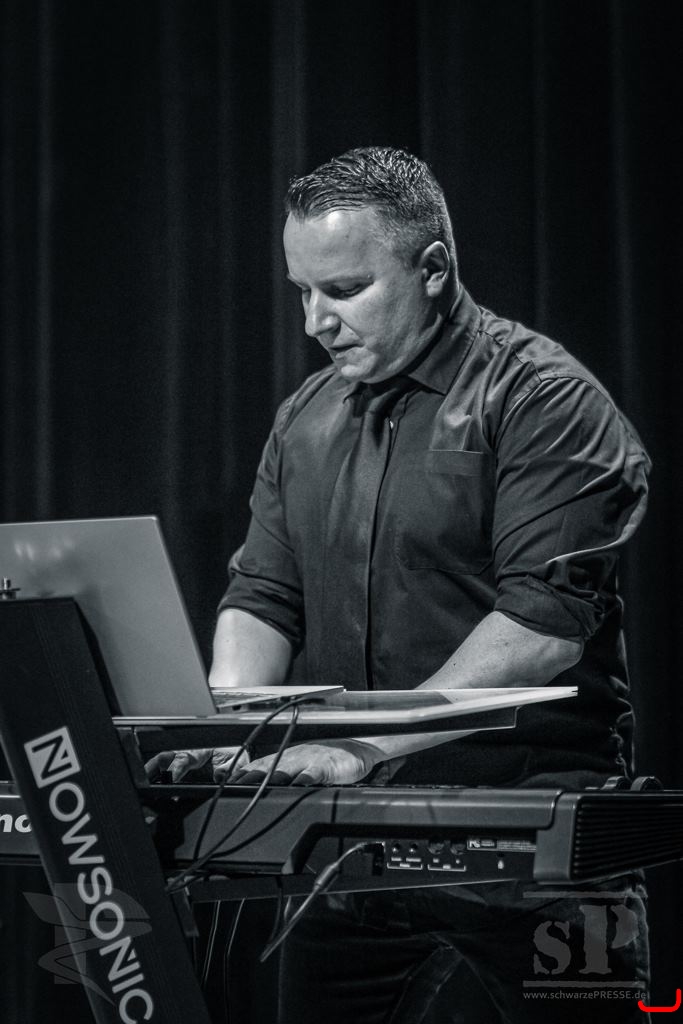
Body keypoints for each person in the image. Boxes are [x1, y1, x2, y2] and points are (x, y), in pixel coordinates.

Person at [168, 148, 652, 1022]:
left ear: (432, 269)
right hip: (348, 842)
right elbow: (264, 596)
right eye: (301, 293)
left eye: (345, 290)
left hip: (532, 836)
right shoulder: (305, 416)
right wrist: (235, 732)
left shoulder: (544, 399)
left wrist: (363, 746)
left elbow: (541, 625)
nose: (315, 320)